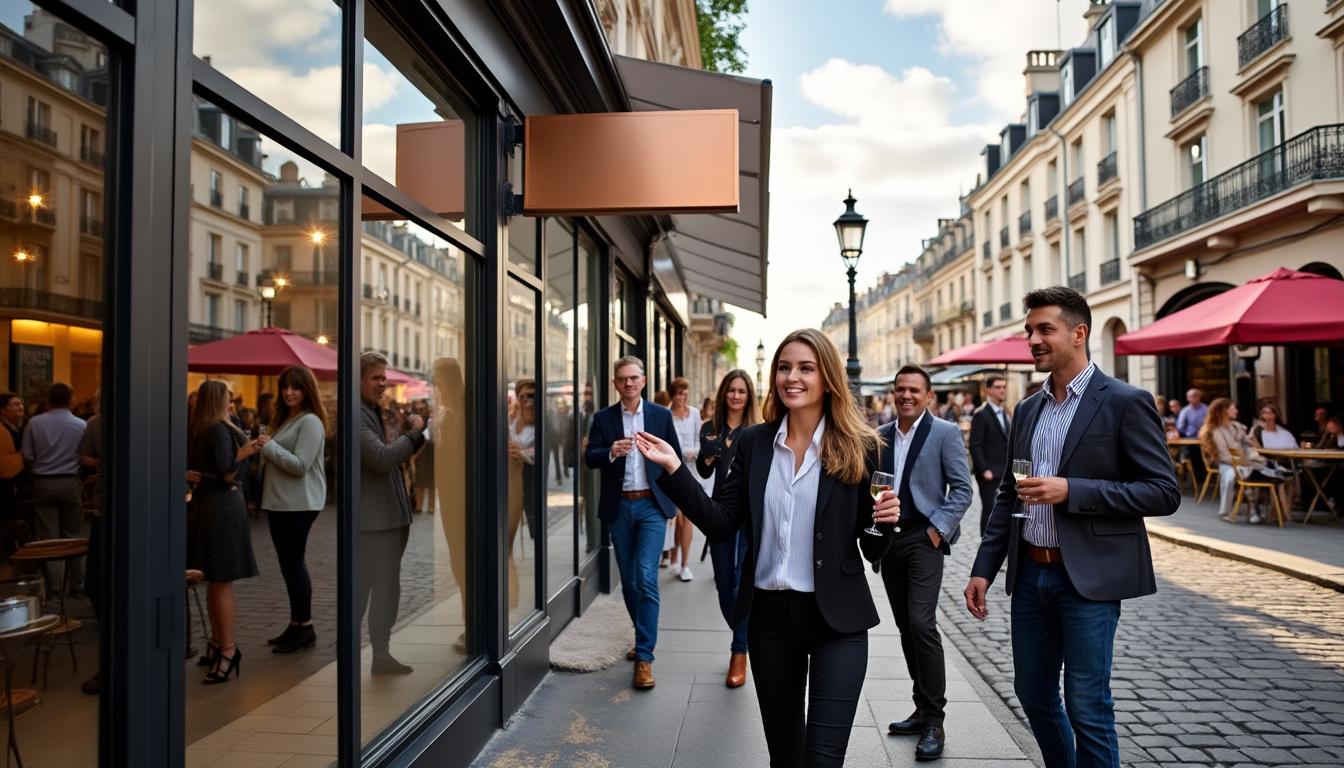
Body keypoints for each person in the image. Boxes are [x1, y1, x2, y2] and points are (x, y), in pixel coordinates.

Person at [635, 329, 899, 767]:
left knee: (822, 759)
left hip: (838, 622)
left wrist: (884, 522)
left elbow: (872, 548)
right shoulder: (754, 443)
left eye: (805, 368)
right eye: (784, 367)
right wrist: (675, 469)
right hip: (771, 620)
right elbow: (721, 523)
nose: (791, 377)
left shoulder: (861, 447)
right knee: (785, 756)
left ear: (828, 378)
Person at [964, 287, 1180, 768]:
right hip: (1031, 577)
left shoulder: (1125, 401)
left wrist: (1073, 491)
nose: (1033, 340)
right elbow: (1008, 495)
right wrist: (984, 567)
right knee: (1033, 695)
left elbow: (1163, 492)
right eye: (1029, 331)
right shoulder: (1027, 409)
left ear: (1079, 333)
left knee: (1087, 704)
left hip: (1088, 580)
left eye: (1045, 329)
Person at [876, 365, 972, 761]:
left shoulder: (945, 433)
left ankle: (935, 720)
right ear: (893, 394)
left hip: (924, 538)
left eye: (914, 389)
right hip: (889, 541)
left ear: (928, 395)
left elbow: (962, 490)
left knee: (922, 622)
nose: (906, 395)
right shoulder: (880, 435)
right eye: (900, 389)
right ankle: (921, 707)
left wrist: (937, 530)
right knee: (904, 626)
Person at [583, 356, 682, 690]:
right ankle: (642, 636)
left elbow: (674, 460)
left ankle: (644, 658)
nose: (628, 383)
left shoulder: (660, 415)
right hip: (620, 507)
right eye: (622, 379)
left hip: (652, 506)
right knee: (628, 581)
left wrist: (677, 504)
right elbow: (589, 457)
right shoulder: (604, 418)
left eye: (634, 378)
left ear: (644, 380)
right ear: (615, 383)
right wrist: (610, 451)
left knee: (645, 576)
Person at [187, 380, 262, 684]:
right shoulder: (219, 429)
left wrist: (199, 476)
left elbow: (210, 473)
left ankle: (219, 644)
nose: (232, 404)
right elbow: (227, 472)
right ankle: (228, 648)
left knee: (215, 579)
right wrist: (247, 450)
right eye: (228, 399)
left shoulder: (200, 427)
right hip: (221, 507)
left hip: (213, 506)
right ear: (219, 400)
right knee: (220, 580)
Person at [359, 351, 427, 674]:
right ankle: (374, 656)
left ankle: (381, 654)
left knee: (386, 588)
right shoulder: (357, 415)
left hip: (388, 518)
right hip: (375, 523)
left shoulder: (373, 411)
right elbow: (382, 458)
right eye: (376, 378)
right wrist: (416, 436)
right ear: (359, 379)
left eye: (384, 378)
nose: (382, 384)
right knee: (375, 590)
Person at [695, 369, 760, 688]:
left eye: (741, 391)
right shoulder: (710, 428)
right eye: (731, 390)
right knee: (724, 584)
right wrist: (706, 459)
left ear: (749, 396)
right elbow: (704, 473)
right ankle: (745, 638)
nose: (736, 395)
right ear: (724, 394)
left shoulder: (758, 430)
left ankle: (739, 651)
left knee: (743, 582)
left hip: (750, 515)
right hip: (720, 511)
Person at [256, 366, 328, 654]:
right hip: (281, 503)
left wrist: (269, 447)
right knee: (288, 566)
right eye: (285, 387)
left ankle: (306, 626)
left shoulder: (310, 421)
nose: (289, 392)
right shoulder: (289, 418)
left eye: (295, 387)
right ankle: (296, 624)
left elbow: (300, 466)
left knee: (294, 564)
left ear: (306, 390)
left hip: (299, 504)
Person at [21, 383, 88, 594]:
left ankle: (54, 587)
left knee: (47, 539)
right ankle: (77, 585)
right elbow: (84, 456)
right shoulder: (80, 425)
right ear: (71, 399)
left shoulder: (34, 423)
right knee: (74, 536)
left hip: (42, 482)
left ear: (49, 400)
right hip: (69, 481)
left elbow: (27, 455)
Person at [1199, 398, 1280, 524]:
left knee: (1263, 469)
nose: (1236, 411)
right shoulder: (1215, 430)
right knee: (1231, 476)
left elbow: (1249, 445)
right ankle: (1225, 512)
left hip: (1243, 461)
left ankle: (1255, 509)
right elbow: (1224, 455)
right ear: (1224, 411)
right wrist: (1244, 462)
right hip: (1227, 464)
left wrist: (1254, 432)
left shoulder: (1237, 426)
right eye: (1233, 408)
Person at [667, 377, 701, 582]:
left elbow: (699, 440)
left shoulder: (695, 413)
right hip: (671, 473)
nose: (682, 398)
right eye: (679, 394)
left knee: (688, 519)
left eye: (685, 394)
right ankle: (673, 556)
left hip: (691, 471)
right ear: (673, 394)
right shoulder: (666, 414)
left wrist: (694, 451)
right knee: (676, 519)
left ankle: (684, 565)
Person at [969, 375, 1011, 537]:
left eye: (1004, 387)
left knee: (1002, 508)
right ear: (988, 390)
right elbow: (975, 444)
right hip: (989, 473)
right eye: (998, 387)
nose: (1002, 390)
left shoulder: (1005, 412)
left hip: (1004, 471)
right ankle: (986, 542)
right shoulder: (981, 414)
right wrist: (985, 469)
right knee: (989, 509)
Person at [0, 393, 24, 523]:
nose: (21, 407)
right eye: (15, 404)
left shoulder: (23, 426)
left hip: (19, 482)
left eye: (21, 404)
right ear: (3, 410)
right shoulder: (2, 430)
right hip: (5, 485)